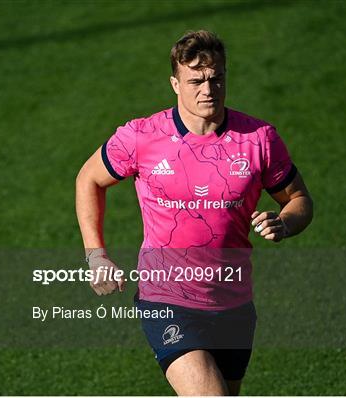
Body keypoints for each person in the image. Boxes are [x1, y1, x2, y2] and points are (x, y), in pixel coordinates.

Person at [75, 30, 313, 396]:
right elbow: (89, 179)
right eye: (196, 80)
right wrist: (96, 255)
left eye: (216, 78)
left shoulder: (259, 139)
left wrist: (285, 222)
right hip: (167, 298)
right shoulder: (141, 136)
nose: (208, 89)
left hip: (233, 302)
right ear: (175, 83)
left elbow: (299, 201)